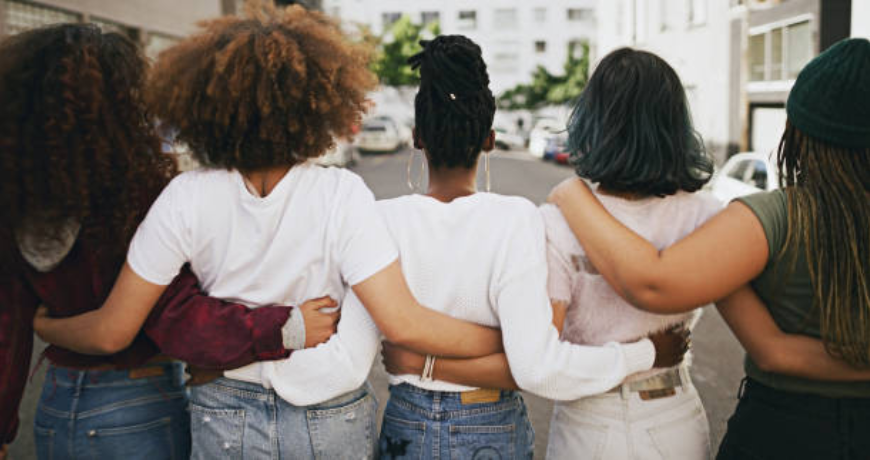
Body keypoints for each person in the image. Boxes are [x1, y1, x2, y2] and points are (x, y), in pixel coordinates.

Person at [33, 5, 509, 459]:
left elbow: (113, 330)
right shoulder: (342, 193)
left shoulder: (185, 195)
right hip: (328, 416)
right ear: (318, 103)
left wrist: (46, 326)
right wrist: (503, 343)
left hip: (223, 408)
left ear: (205, 105)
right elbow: (402, 322)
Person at [0, 23, 345, 460]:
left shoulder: (16, 201)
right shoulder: (138, 194)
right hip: (137, 400)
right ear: (123, 105)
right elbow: (176, 317)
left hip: (56, 401)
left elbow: (6, 332)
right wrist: (283, 327)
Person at [548, 38, 870, 460]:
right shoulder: (709, 213)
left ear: (799, 131)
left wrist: (572, 193)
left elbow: (655, 284)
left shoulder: (771, 218)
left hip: (783, 433)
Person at [371, 36, 688, 460]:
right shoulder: (517, 218)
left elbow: (375, 348)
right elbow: (532, 365)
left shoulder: (379, 218)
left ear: (416, 138)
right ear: (490, 140)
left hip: (405, 422)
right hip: (488, 424)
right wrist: (645, 352)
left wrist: (421, 363)